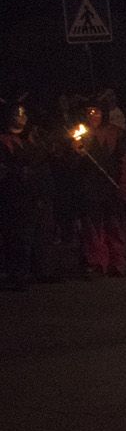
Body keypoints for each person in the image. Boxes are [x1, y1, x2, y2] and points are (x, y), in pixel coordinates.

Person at [77, 102, 126, 276]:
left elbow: (124, 159)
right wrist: (76, 153)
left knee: (115, 224)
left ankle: (117, 262)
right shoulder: (81, 135)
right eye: (89, 112)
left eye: (96, 112)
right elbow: (74, 165)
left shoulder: (114, 132)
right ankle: (96, 262)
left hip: (111, 185)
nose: (92, 115)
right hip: (91, 186)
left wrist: (124, 183)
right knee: (94, 227)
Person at [1, 98, 50, 290]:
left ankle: (38, 271)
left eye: (23, 115)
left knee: (37, 235)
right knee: (18, 238)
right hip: (14, 196)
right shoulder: (4, 140)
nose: (21, 119)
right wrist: (17, 172)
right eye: (17, 115)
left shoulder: (29, 139)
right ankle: (17, 275)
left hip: (33, 195)